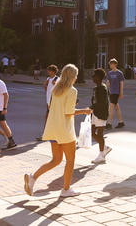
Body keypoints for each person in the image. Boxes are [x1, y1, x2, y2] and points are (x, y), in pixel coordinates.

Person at [24, 64, 92, 197]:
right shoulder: (72, 91)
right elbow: (68, 112)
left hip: (52, 128)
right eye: (76, 76)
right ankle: (66, 189)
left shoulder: (56, 88)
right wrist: (84, 110)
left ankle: (33, 177)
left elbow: (51, 106)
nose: (76, 78)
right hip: (65, 130)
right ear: (72, 76)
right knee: (70, 161)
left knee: (55, 160)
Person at [91, 68, 112, 164]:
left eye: (94, 75)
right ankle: (105, 147)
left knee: (99, 134)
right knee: (92, 133)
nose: (92, 77)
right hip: (95, 113)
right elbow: (95, 100)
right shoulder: (96, 88)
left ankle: (101, 155)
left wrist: (92, 107)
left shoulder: (103, 88)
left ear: (98, 77)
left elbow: (103, 103)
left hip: (101, 114)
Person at [36, 65, 59, 141]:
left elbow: (59, 90)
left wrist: (55, 84)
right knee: (48, 118)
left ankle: (47, 135)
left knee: (50, 118)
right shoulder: (48, 78)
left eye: (49, 71)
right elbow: (45, 86)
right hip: (48, 101)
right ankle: (47, 134)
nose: (48, 72)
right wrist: (46, 88)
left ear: (53, 71)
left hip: (53, 102)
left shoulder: (57, 79)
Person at [106, 58, 125, 129]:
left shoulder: (119, 73)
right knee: (116, 107)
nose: (110, 65)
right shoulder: (110, 73)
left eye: (112, 64)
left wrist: (121, 92)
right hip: (111, 92)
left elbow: (121, 83)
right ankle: (121, 122)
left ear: (115, 64)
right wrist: (106, 89)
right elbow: (108, 82)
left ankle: (109, 123)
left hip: (116, 92)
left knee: (111, 107)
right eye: (110, 64)